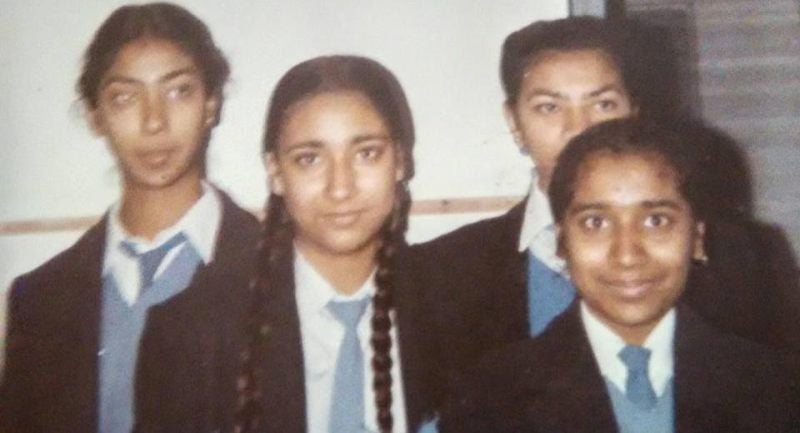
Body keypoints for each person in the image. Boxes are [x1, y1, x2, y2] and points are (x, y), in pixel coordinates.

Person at [135, 55, 438, 433]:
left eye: (366, 154)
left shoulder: (458, 311)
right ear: (275, 172)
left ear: (400, 162)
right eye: (309, 159)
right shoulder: (191, 332)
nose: (340, 187)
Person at [440, 119, 800, 433]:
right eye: (595, 223)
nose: (627, 255)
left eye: (656, 220)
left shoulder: (773, 387)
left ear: (697, 239)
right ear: (562, 243)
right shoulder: (492, 396)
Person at [0, 4, 260, 433]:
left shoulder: (283, 268)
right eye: (125, 97)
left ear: (211, 103)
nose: (154, 122)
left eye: (178, 91)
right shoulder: (40, 301)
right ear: (95, 116)